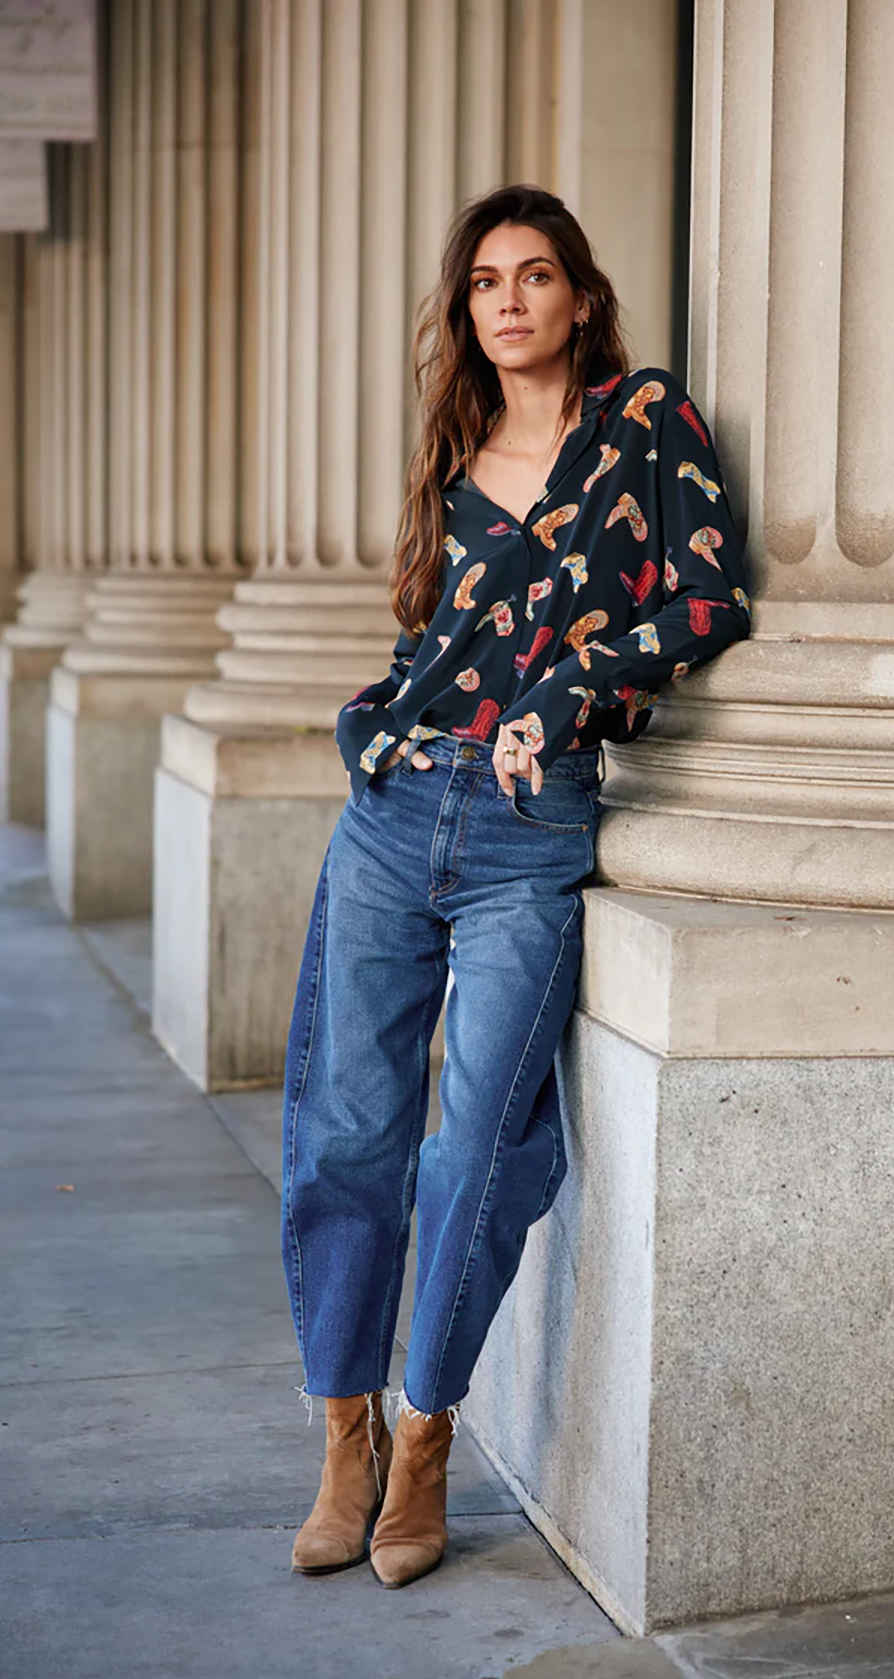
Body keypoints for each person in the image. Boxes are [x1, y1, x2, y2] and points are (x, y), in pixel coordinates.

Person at [282, 183, 750, 1590]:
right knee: (347, 1134)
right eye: (484, 278)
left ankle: (429, 1433)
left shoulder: (644, 426)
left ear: (581, 300)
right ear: (467, 308)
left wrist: (574, 687)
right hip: (391, 813)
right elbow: (430, 635)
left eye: (535, 274)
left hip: (528, 832)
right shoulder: (454, 450)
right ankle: (344, 1431)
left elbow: (708, 600)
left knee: (475, 1147)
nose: (508, 298)